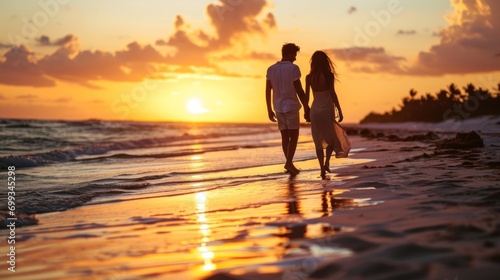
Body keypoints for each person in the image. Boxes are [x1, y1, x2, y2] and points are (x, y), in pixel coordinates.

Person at [266, 43, 310, 176]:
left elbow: (268, 91)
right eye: (294, 55)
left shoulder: (271, 69)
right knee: (294, 136)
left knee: (285, 137)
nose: (295, 58)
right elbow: (299, 90)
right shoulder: (293, 68)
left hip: (278, 107)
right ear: (289, 54)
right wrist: (307, 107)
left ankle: (289, 163)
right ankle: (289, 162)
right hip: (291, 106)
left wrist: (269, 109)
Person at [305, 51, 349, 179]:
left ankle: (321, 169)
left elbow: (306, 98)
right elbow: (333, 94)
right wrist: (339, 111)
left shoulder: (309, 77)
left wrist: (306, 111)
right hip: (326, 111)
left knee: (317, 141)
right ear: (325, 62)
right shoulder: (328, 75)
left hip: (315, 111)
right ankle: (327, 162)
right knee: (330, 139)